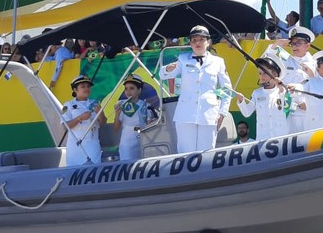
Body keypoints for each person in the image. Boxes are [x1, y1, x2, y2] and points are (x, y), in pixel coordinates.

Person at [159, 25, 232, 153]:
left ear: (208, 42)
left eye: (201, 39)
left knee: (207, 153)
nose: (197, 42)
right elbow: (163, 75)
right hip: (186, 113)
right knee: (185, 152)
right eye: (194, 40)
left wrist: (222, 113)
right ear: (190, 43)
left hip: (209, 114)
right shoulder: (182, 59)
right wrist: (167, 69)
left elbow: (227, 89)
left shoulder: (218, 62)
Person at [264, 25, 317, 134]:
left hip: (305, 113)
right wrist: (275, 45)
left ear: (307, 46)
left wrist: (310, 103)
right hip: (284, 111)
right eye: (292, 43)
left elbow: (320, 88)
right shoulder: (285, 60)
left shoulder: (315, 64)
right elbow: (264, 65)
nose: (294, 46)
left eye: (298, 43)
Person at [235, 55, 289, 141]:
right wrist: (241, 101)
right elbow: (247, 113)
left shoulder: (281, 91)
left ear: (275, 75)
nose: (261, 76)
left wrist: (280, 86)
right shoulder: (257, 93)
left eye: (265, 73)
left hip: (280, 137)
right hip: (263, 138)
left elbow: (286, 100)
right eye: (260, 73)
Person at [61, 74, 106, 165]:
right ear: (75, 89)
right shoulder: (68, 105)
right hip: (76, 145)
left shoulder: (95, 103)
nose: (86, 89)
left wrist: (100, 113)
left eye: (88, 86)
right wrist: (80, 118)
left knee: (94, 171)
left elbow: (103, 123)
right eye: (83, 86)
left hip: (92, 144)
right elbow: (65, 126)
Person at [112, 73, 151, 162]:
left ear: (139, 90)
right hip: (127, 142)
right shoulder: (122, 104)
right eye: (126, 89)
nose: (128, 91)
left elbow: (149, 124)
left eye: (132, 88)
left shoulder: (145, 105)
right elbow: (116, 128)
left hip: (143, 139)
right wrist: (117, 114)